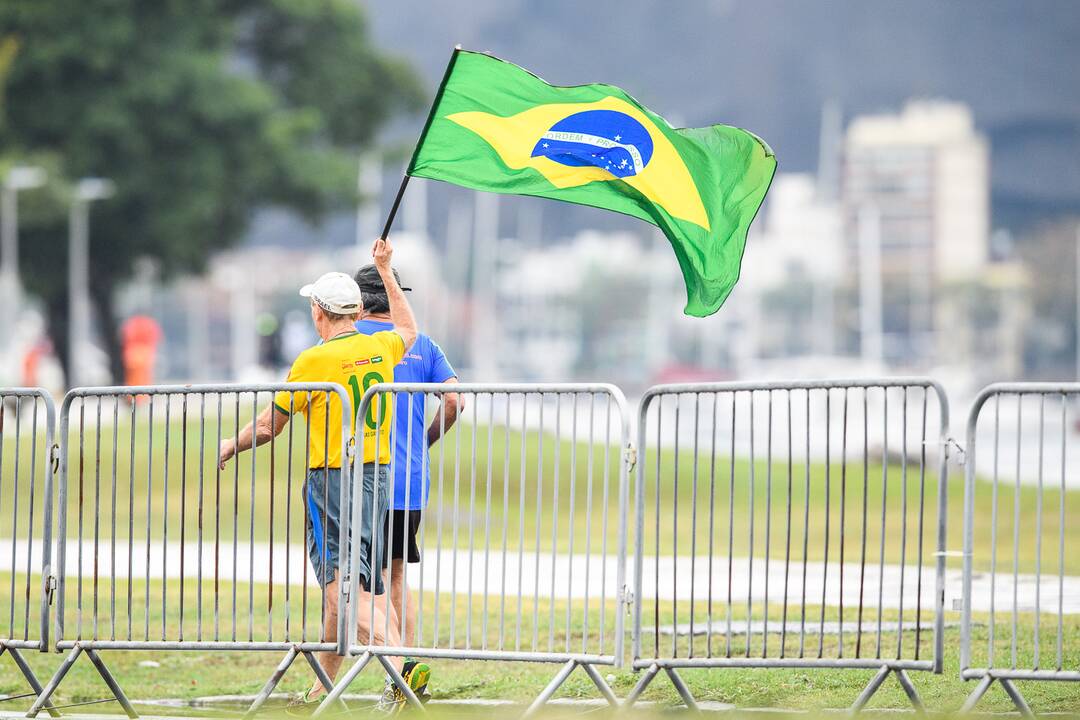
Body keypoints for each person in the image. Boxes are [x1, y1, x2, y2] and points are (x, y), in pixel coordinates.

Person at [217, 237, 428, 713]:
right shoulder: (380, 348)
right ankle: (322, 689)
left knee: (342, 589)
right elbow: (409, 329)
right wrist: (387, 271)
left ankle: (402, 665)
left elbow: (272, 425)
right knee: (356, 589)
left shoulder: (313, 360)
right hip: (376, 479)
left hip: (332, 483)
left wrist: (232, 443)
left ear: (320, 311)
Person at [354, 265, 463, 661]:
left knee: (367, 579)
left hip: (363, 477)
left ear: (359, 301)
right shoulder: (425, 345)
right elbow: (455, 401)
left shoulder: (346, 343)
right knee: (397, 573)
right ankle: (409, 660)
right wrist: (426, 441)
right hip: (411, 479)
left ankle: (395, 667)